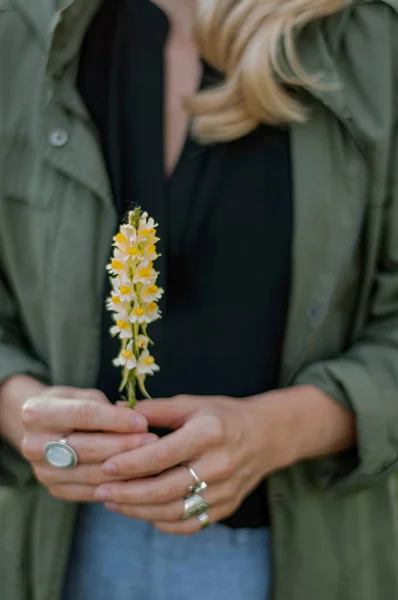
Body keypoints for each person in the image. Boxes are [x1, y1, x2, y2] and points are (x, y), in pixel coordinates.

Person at [0, 0, 398, 598]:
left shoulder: (372, 39)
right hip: (57, 553)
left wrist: (276, 431)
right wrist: (19, 406)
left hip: (298, 555)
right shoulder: (18, 28)